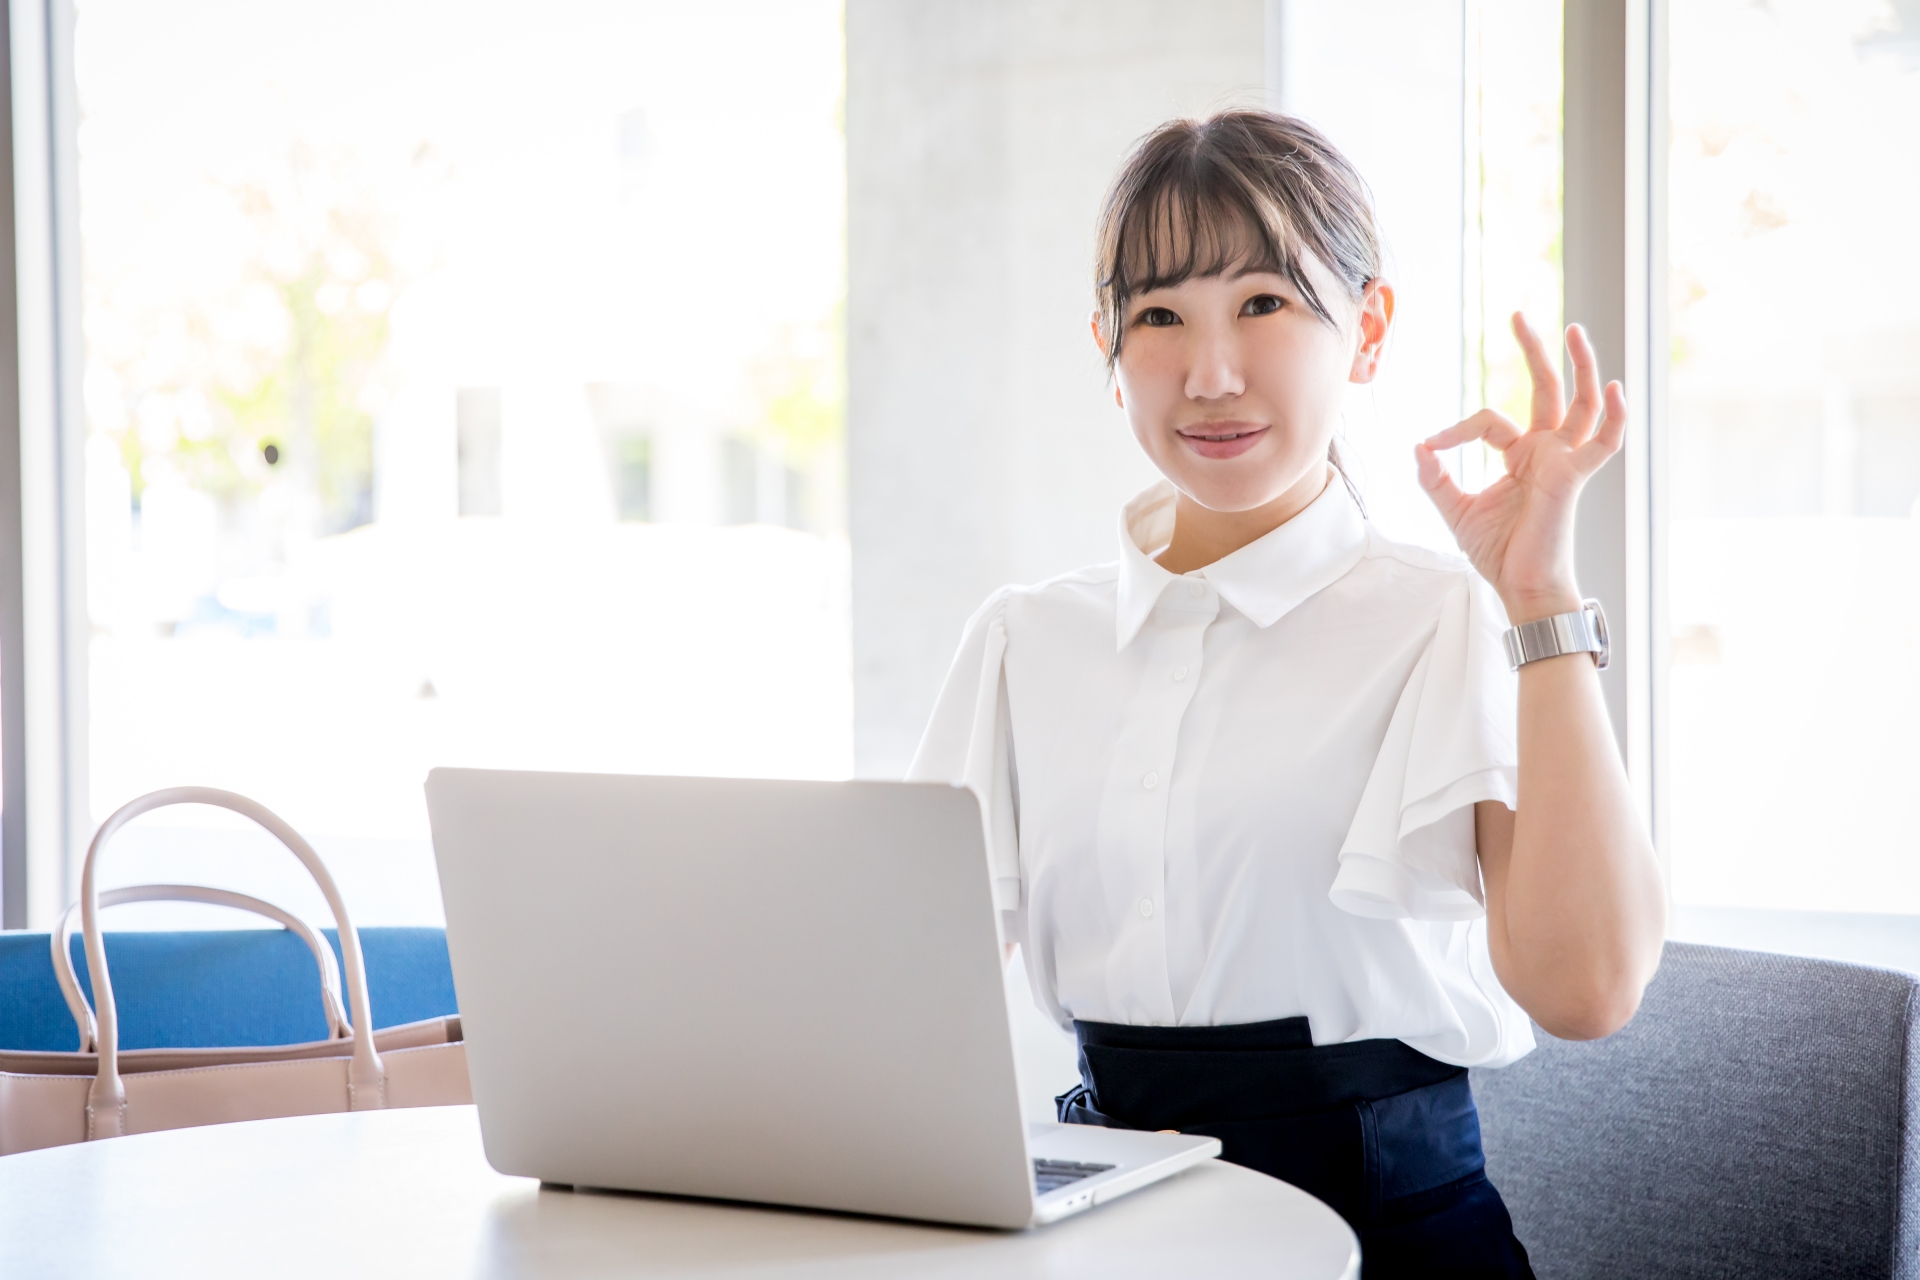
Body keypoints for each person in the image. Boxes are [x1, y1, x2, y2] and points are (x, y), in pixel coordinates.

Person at [907, 110, 1666, 1276]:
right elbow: (901, 998)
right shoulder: (1025, 642)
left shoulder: (1448, 615)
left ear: (1367, 328)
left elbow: (1588, 987)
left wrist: (1539, 594)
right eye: (1159, 316)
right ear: (1108, 350)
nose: (1210, 375)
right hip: (1111, 1232)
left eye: (1264, 302)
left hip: (1389, 1237)